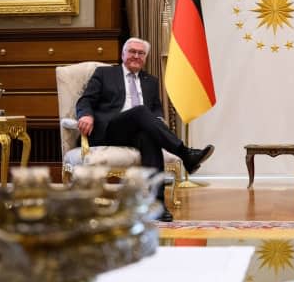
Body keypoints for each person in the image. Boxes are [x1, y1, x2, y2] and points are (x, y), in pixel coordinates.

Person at [76, 37, 214, 222]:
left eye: (141, 53)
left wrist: (157, 120)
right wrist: (86, 114)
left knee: (149, 138)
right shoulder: (104, 73)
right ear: (123, 54)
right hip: (110, 130)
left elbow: (156, 108)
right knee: (141, 111)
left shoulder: (151, 81)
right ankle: (185, 153)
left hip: (136, 132)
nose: (136, 56)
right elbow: (85, 100)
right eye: (132, 51)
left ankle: (156, 205)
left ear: (145, 58)